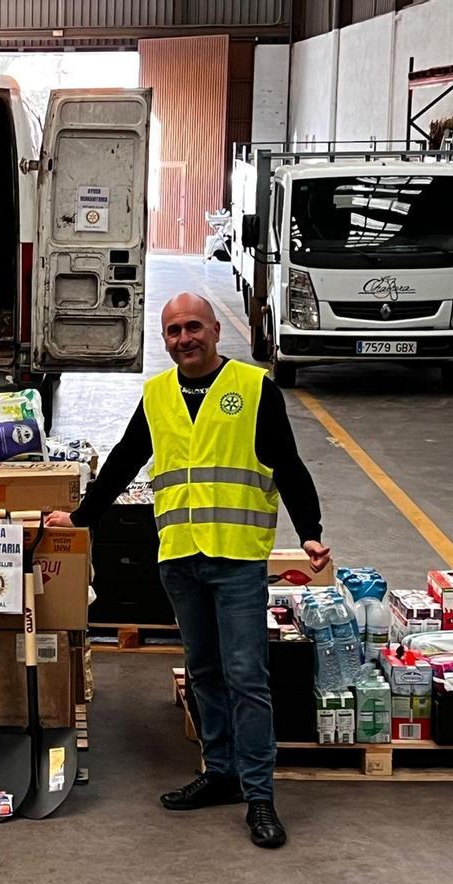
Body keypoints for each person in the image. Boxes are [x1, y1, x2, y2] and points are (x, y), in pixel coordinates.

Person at [47, 292, 330, 849]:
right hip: (180, 558)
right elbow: (125, 459)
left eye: (193, 327)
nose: (185, 339)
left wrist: (310, 530)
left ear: (216, 330)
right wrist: (80, 517)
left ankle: (259, 795)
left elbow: (287, 463)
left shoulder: (254, 388)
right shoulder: (157, 395)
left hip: (236, 558)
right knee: (203, 672)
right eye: (174, 331)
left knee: (246, 677)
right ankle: (221, 773)